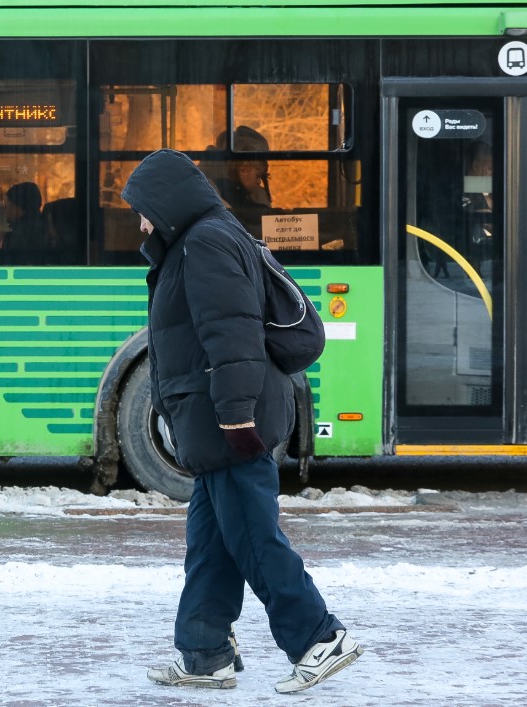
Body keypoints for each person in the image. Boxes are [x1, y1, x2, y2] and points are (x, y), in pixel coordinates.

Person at [121, 149, 363, 694]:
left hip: (228, 421)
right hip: (212, 424)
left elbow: (232, 337)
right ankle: (205, 653)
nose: (140, 222)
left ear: (167, 202)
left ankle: (319, 638)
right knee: (210, 543)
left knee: (254, 538)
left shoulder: (205, 242)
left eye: (143, 209)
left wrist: (235, 418)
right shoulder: (200, 239)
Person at [200, 126, 274, 236]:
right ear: (242, 167)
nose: (259, 182)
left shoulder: (254, 194)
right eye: (258, 174)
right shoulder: (209, 190)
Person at [1, 182, 49, 253]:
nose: (4, 209)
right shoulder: (45, 231)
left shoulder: (19, 238)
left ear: (20, 207)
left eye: (7, 205)